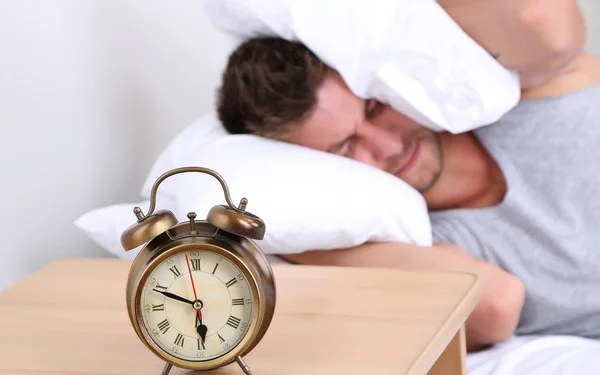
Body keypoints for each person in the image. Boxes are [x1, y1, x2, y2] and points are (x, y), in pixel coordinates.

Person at [212, 19, 597, 351]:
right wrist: (283, 238)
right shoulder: (427, 248)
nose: (389, 146)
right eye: (345, 150)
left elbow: (542, 19)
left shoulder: (537, 95)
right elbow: (497, 306)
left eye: (375, 107)